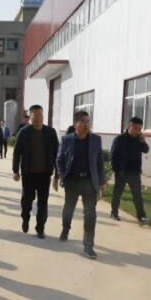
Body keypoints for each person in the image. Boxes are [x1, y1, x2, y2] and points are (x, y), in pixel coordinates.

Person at [56, 111, 105, 259]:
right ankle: (66, 228)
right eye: (83, 121)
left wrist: (102, 182)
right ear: (76, 124)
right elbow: (59, 160)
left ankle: (88, 245)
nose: (87, 124)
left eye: (88, 121)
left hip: (89, 182)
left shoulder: (96, 140)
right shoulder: (66, 140)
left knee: (90, 214)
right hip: (72, 181)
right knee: (68, 209)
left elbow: (99, 163)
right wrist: (62, 175)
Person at [12, 105, 59, 239]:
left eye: (40, 115)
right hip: (29, 174)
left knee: (43, 203)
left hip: (45, 174)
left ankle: (40, 228)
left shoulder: (50, 132)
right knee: (26, 201)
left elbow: (57, 153)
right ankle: (25, 218)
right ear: (30, 117)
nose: (38, 117)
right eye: (35, 115)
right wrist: (15, 170)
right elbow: (17, 152)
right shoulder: (24, 132)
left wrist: (57, 174)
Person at [110, 116, 149, 224]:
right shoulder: (119, 139)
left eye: (140, 129)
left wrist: (143, 141)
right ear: (129, 126)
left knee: (137, 195)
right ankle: (114, 213)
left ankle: (141, 216)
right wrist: (116, 169)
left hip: (135, 172)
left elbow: (146, 150)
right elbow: (113, 155)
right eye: (136, 128)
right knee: (117, 193)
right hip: (121, 172)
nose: (138, 131)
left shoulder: (139, 139)